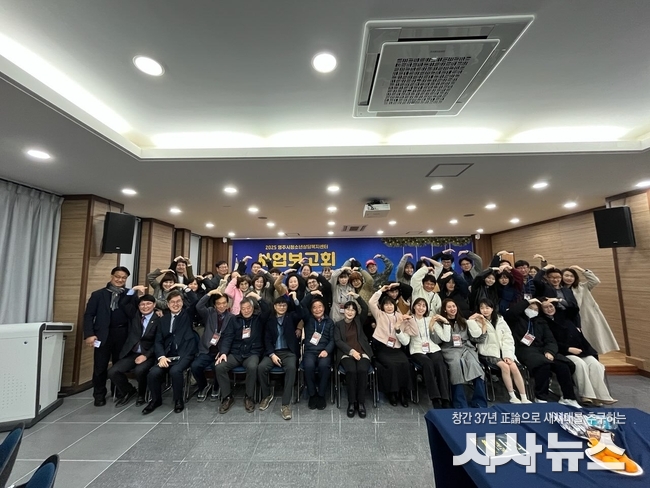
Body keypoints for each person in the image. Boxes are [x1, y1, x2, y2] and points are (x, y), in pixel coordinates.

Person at [504, 298, 581, 407]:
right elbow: (511, 312)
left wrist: (550, 351)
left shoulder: (541, 322)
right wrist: (528, 301)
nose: (533, 310)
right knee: (543, 364)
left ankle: (568, 397)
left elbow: (550, 340)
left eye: (536, 309)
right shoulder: (516, 319)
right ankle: (541, 397)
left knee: (563, 365)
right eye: (530, 308)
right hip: (524, 349)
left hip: (542, 350)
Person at [540, 299, 617, 405]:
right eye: (546, 307)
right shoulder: (542, 322)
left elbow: (574, 308)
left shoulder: (563, 314)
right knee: (580, 365)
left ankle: (601, 396)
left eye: (551, 306)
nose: (549, 309)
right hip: (563, 352)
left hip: (581, 349)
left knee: (595, 365)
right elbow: (549, 342)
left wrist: (558, 300)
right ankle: (586, 395)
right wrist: (568, 349)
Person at [83, 266, 132, 406]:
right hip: (102, 335)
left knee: (119, 366)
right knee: (100, 366)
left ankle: (119, 392)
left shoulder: (129, 294)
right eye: (117, 277)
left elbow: (135, 311)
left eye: (123, 278)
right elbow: (89, 315)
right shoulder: (98, 294)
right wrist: (89, 334)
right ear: (112, 276)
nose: (120, 280)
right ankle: (99, 395)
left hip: (122, 334)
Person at [144, 290, 199, 414]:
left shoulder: (187, 315)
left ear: (182, 302)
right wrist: (161, 356)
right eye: (172, 302)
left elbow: (195, 301)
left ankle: (178, 400)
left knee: (175, 371)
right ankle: (155, 400)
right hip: (167, 355)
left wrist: (185, 288)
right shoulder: (163, 319)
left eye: (178, 301)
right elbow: (158, 341)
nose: (176, 304)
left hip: (185, 353)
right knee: (153, 373)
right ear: (168, 304)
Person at [216, 295, 271, 414]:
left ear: (253, 308)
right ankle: (227, 397)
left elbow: (267, 310)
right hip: (236, 353)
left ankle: (249, 397)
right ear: (240, 309)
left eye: (248, 308)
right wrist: (223, 353)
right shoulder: (234, 320)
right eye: (243, 308)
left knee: (252, 366)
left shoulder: (258, 319)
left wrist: (258, 298)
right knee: (220, 367)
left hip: (252, 353)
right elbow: (228, 337)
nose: (246, 311)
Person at [107, 288, 160, 407]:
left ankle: (141, 394)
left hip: (150, 354)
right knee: (112, 372)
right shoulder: (135, 315)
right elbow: (123, 303)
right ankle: (129, 391)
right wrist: (133, 289)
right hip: (133, 353)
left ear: (154, 305)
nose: (145, 307)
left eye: (148, 304)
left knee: (139, 370)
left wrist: (145, 356)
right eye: (142, 304)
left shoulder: (159, 319)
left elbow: (159, 342)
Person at [433, 299, 488, 408]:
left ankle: (479, 402)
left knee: (475, 366)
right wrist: (442, 324)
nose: (452, 309)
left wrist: (483, 326)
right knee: (455, 366)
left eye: (454, 306)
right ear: (444, 309)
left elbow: (476, 339)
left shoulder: (463, 321)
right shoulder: (440, 322)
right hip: (450, 349)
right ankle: (459, 403)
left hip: (466, 348)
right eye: (449, 307)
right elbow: (437, 341)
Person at [473, 299, 531, 404]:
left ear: (492, 309)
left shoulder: (500, 320)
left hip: (504, 351)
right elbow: (477, 338)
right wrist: (477, 321)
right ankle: (512, 396)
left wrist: (507, 355)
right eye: (482, 308)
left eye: (487, 308)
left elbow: (508, 338)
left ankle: (524, 397)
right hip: (488, 353)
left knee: (513, 366)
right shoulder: (476, 321)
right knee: (505, 367)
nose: (485, 310)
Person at [258, 294, 302, 420]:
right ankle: (267, 395)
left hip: (288, 352)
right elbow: (267, 339)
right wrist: (272, 354)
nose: (282, 307)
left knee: (291, 369)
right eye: (279, 305)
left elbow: (302, 314)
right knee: (261, 367)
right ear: (274, 306)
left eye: (284, 305)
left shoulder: (291, 317)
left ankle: (285, 404)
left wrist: (295, 299)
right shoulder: (269, 320)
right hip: (273, 352)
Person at [401, 298, 451, 409]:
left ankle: (445, 398)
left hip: (432, 348)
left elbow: (446, 338)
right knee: (427, 364)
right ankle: (435, 398)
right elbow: (405, 341)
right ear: (414, 307)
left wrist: (445, 322)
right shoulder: (409, 320)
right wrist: (399, 331)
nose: (421, 308)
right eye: (419, 305)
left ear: (427, 308)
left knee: (440, 365)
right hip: (417, 349)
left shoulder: (430, 319)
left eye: (424, 306)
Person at [369, 286, 412, 407]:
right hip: (382, 348)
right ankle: (392, 393)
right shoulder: (379, 314)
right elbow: (371, 302)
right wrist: (381, 291)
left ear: (394, 305)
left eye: (391, 304)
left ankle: (403, 393)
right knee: (391, 365)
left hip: (397, 348)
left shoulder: (400, 316)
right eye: (386, 304)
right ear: (382, 306)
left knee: (405, 364)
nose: (389, 307)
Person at [561, 265, 619, 354]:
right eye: (566, 275)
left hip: (587, 317)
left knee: (592, 341)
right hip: (570, 319)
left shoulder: (582, 287)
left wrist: (580, 269)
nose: (569, 278)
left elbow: (595, 280)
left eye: (572, 276)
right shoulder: (559, 289)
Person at [190, 290, 234, 401]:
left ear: (228, 304)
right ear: (214, 305)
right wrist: (209, 294)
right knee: (195, 366)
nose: (222, 306)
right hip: (206, 350)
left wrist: (223, 351)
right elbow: (199, 306)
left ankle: (216, 387)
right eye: (218, 303)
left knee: (217, 367)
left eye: (224, 303)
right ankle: (203, 386)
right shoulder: (209, 313)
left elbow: (230, 337)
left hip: (221, 351)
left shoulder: (232, 317)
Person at [334, 296, 373, 418]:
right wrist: (351, 352)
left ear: (356, 312)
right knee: (351, 371)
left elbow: (365, 308)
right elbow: (338, 341)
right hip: (346, 354)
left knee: (362, 370)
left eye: (353, 310)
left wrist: (358, 297)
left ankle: (361, 403)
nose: (350, 312)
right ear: (343, 310)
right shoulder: (338, 325)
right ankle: (351, 402)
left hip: (362, 352)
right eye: (348, 309)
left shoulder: (358, 321)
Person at [300, 290, 336, 410]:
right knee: (308, 366)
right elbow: (302, 305)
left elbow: (332, 340)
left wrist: (327, 351)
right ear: (311, 310)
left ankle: (321, 394)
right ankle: (312, 394)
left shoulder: (330, 322)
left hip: (324, 351)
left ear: (324, 308)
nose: (317, 309)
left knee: (324, 366)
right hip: (310, 351)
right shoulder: (307, 318)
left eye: (320, 306)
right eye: (314, 307)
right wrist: (311, 294)